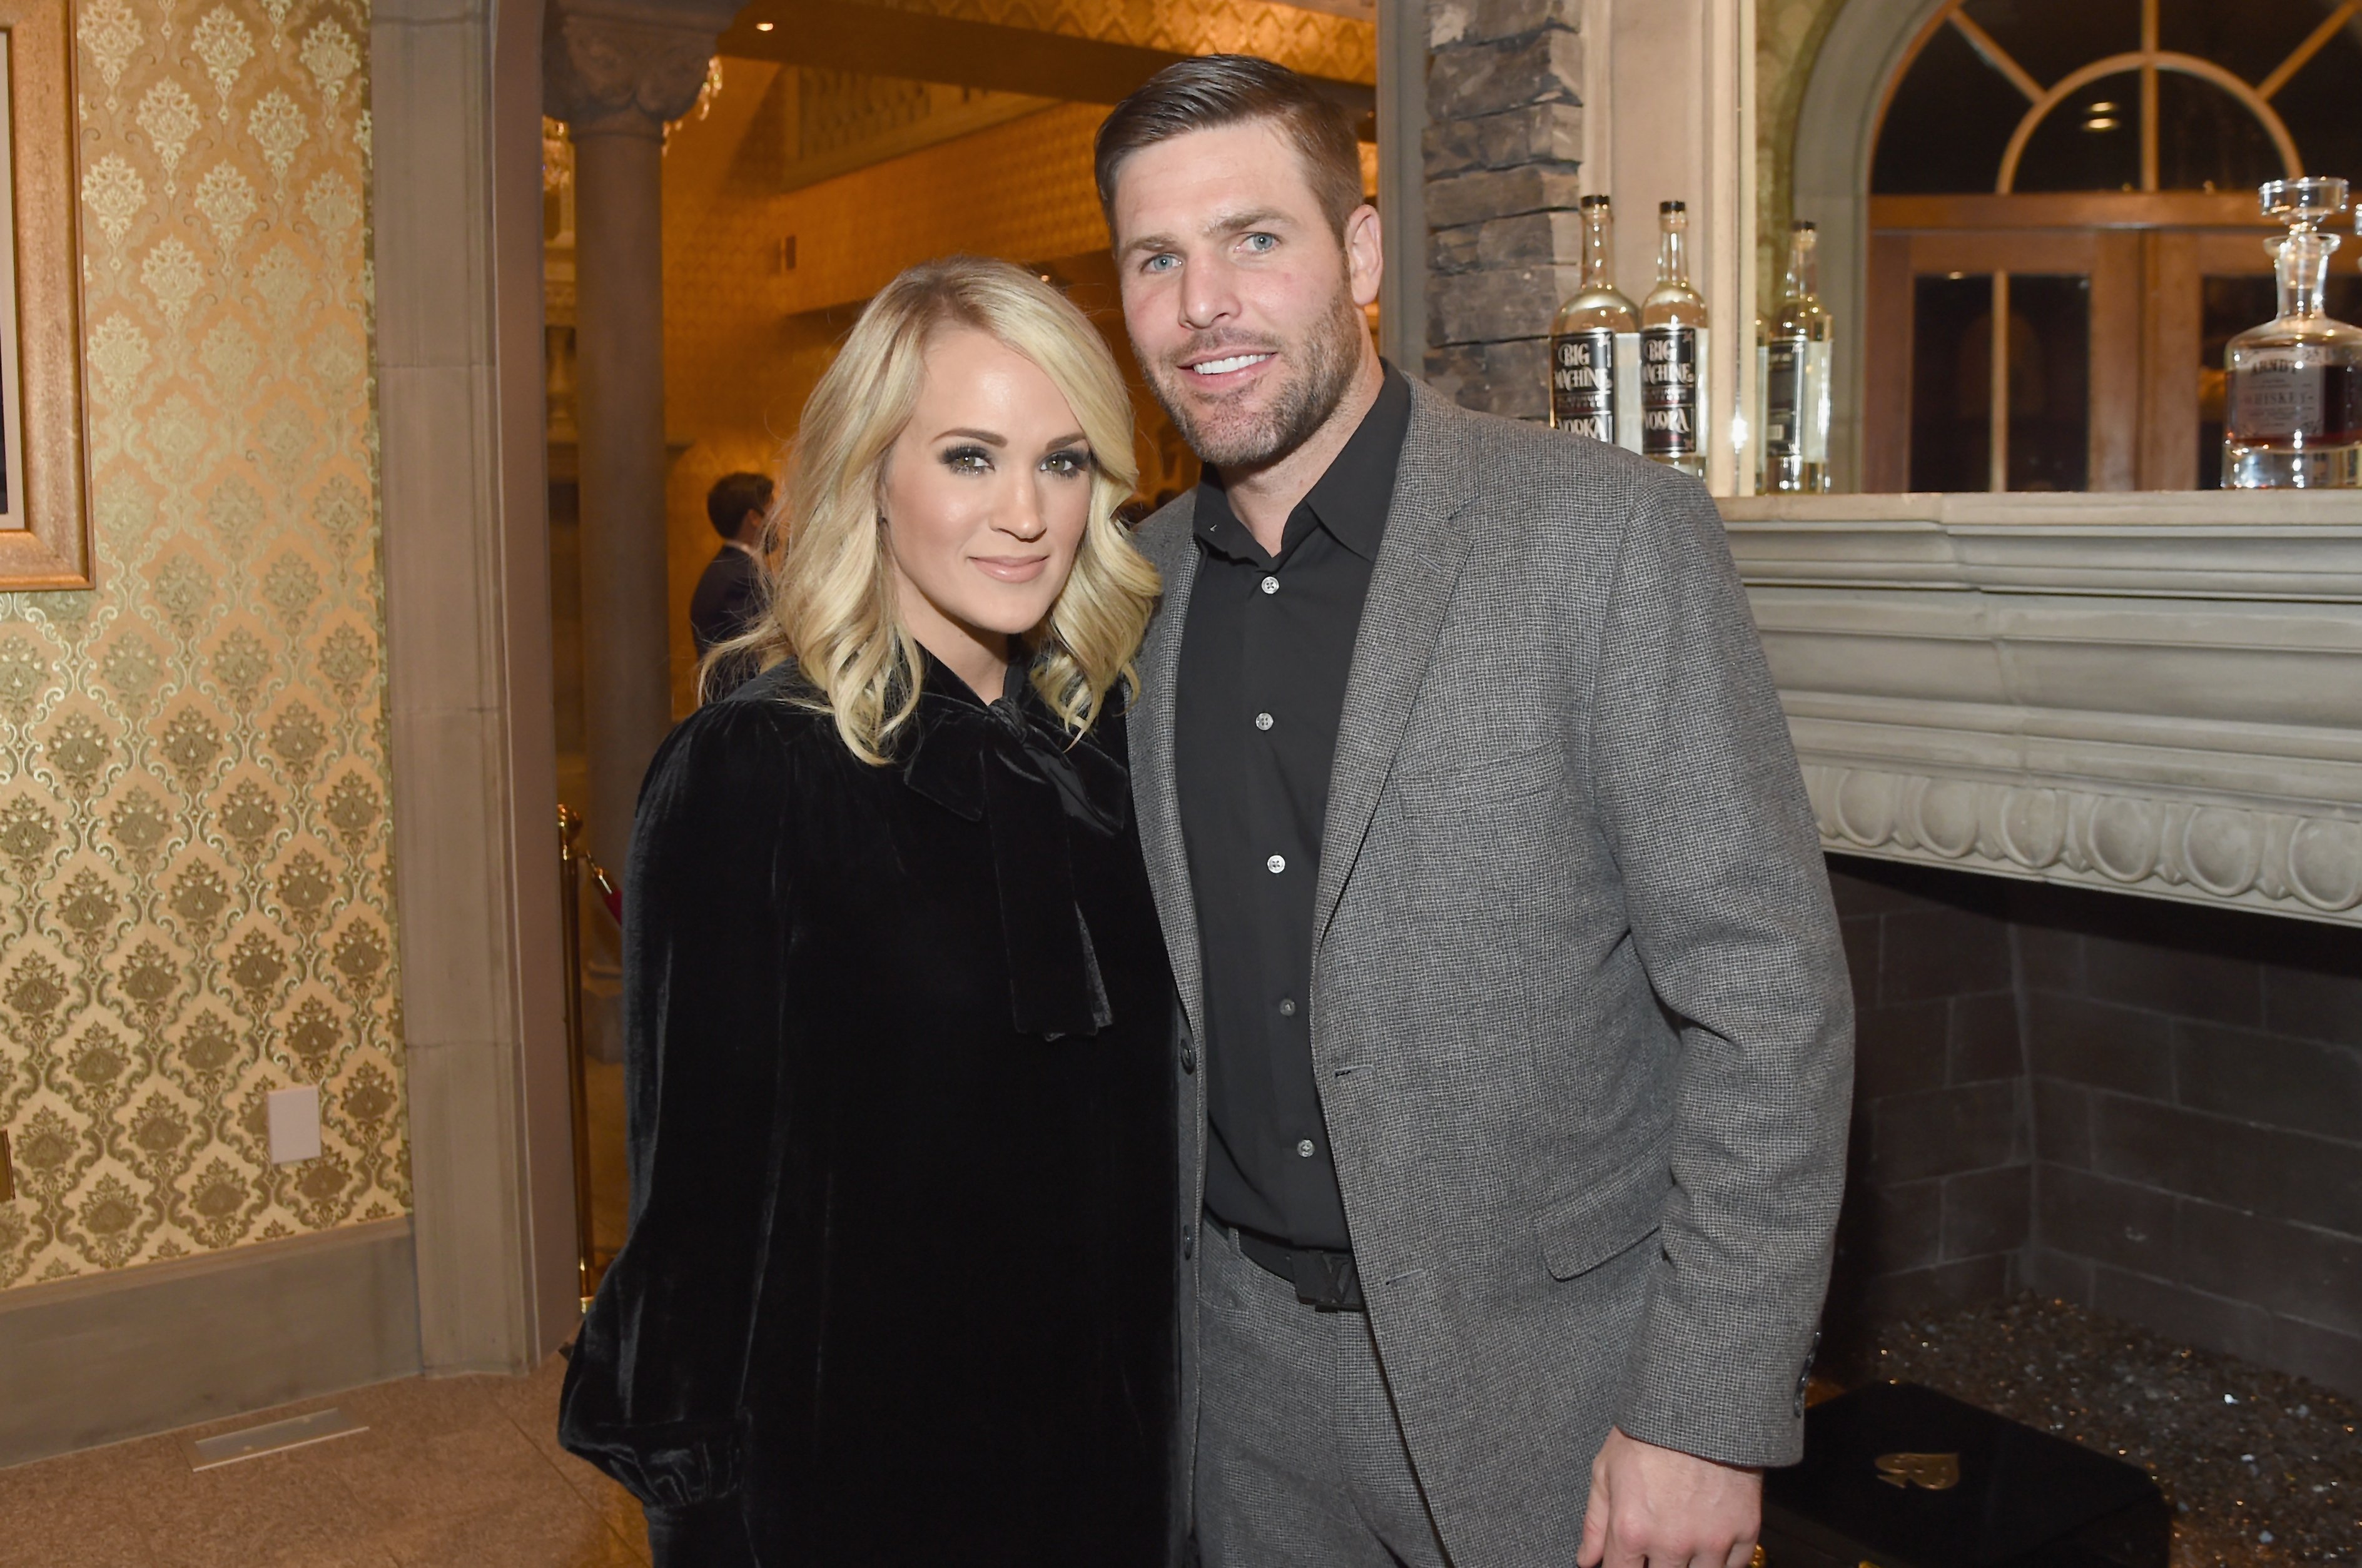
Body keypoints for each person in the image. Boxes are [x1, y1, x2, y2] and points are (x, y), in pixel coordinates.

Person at [1097, 55, 1855, 1568]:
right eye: (1154, 258)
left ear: (1359, 252)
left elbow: (1769, 1000)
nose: (1204, 305)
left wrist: (1701, 1412)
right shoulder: (1128, 594)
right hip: (1235, 1386)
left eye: (1254, 238)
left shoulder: (1601, 537)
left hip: (1563, 1396)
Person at [559, 256, 1176, 1567]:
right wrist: (704, 1511)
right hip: (859, 1477)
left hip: (1106, 1458)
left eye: (1063, 462)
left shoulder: (1104, 750)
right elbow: (698, 1214)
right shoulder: (753, 771)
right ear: (870, 478)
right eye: (968, 456)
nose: (1025, 513)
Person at [691, 472, 774, 701]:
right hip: (745, 714)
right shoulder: (737, 579)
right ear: (754, 518)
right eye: (772, 507)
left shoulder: (731, 569)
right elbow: (765, 654)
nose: (779, 519)